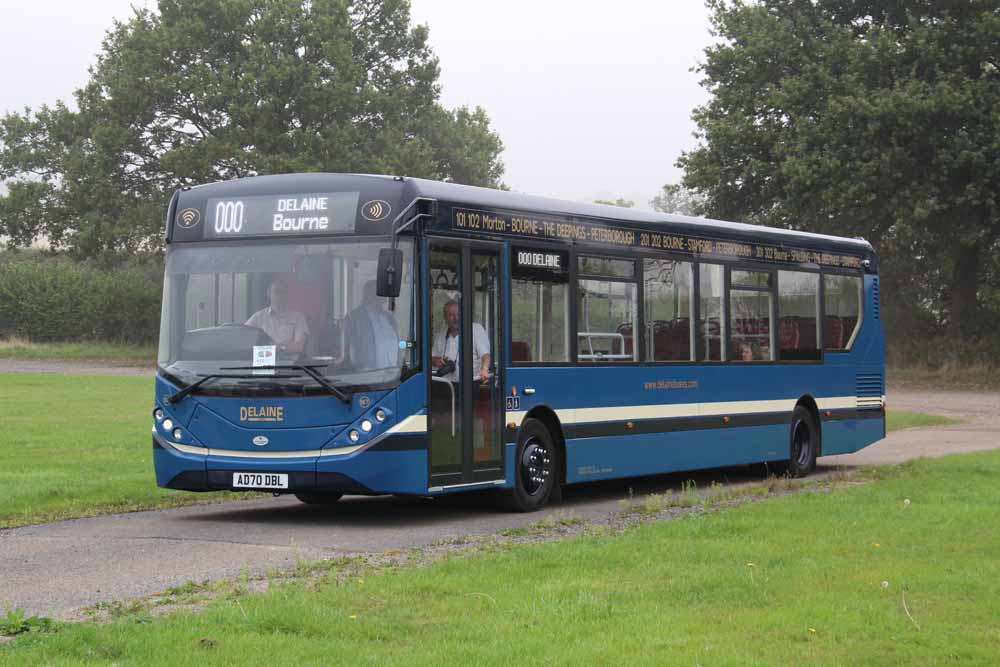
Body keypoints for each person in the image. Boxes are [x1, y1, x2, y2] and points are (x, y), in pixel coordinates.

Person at [245, 277, 309, 355]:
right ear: (269, 294)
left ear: (288, 295)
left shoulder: (298, 318)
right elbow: (244, 339)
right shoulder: (258, 317)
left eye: (284, 292)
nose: (280, 295)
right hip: (262, 362)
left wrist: (280, 348)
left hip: (290, 364)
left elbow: (299, 346)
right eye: (277, 291)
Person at [346, 281, 400, 371]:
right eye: (382, 292)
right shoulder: (355, 317)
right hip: (368, 376)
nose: (385, 296)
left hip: (391, 375)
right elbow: (348, 347)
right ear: (371, 294)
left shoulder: (388, 318)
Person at [431, 299, 490, 381]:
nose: (456, 318)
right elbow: (431, 358)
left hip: (470, 384)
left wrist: (484, 369)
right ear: (445, 317)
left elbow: (485, 355)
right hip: (447, 384)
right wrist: (436, 361)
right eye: (451, 315)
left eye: (458, 314)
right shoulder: (441, 334)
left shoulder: (476, 329)